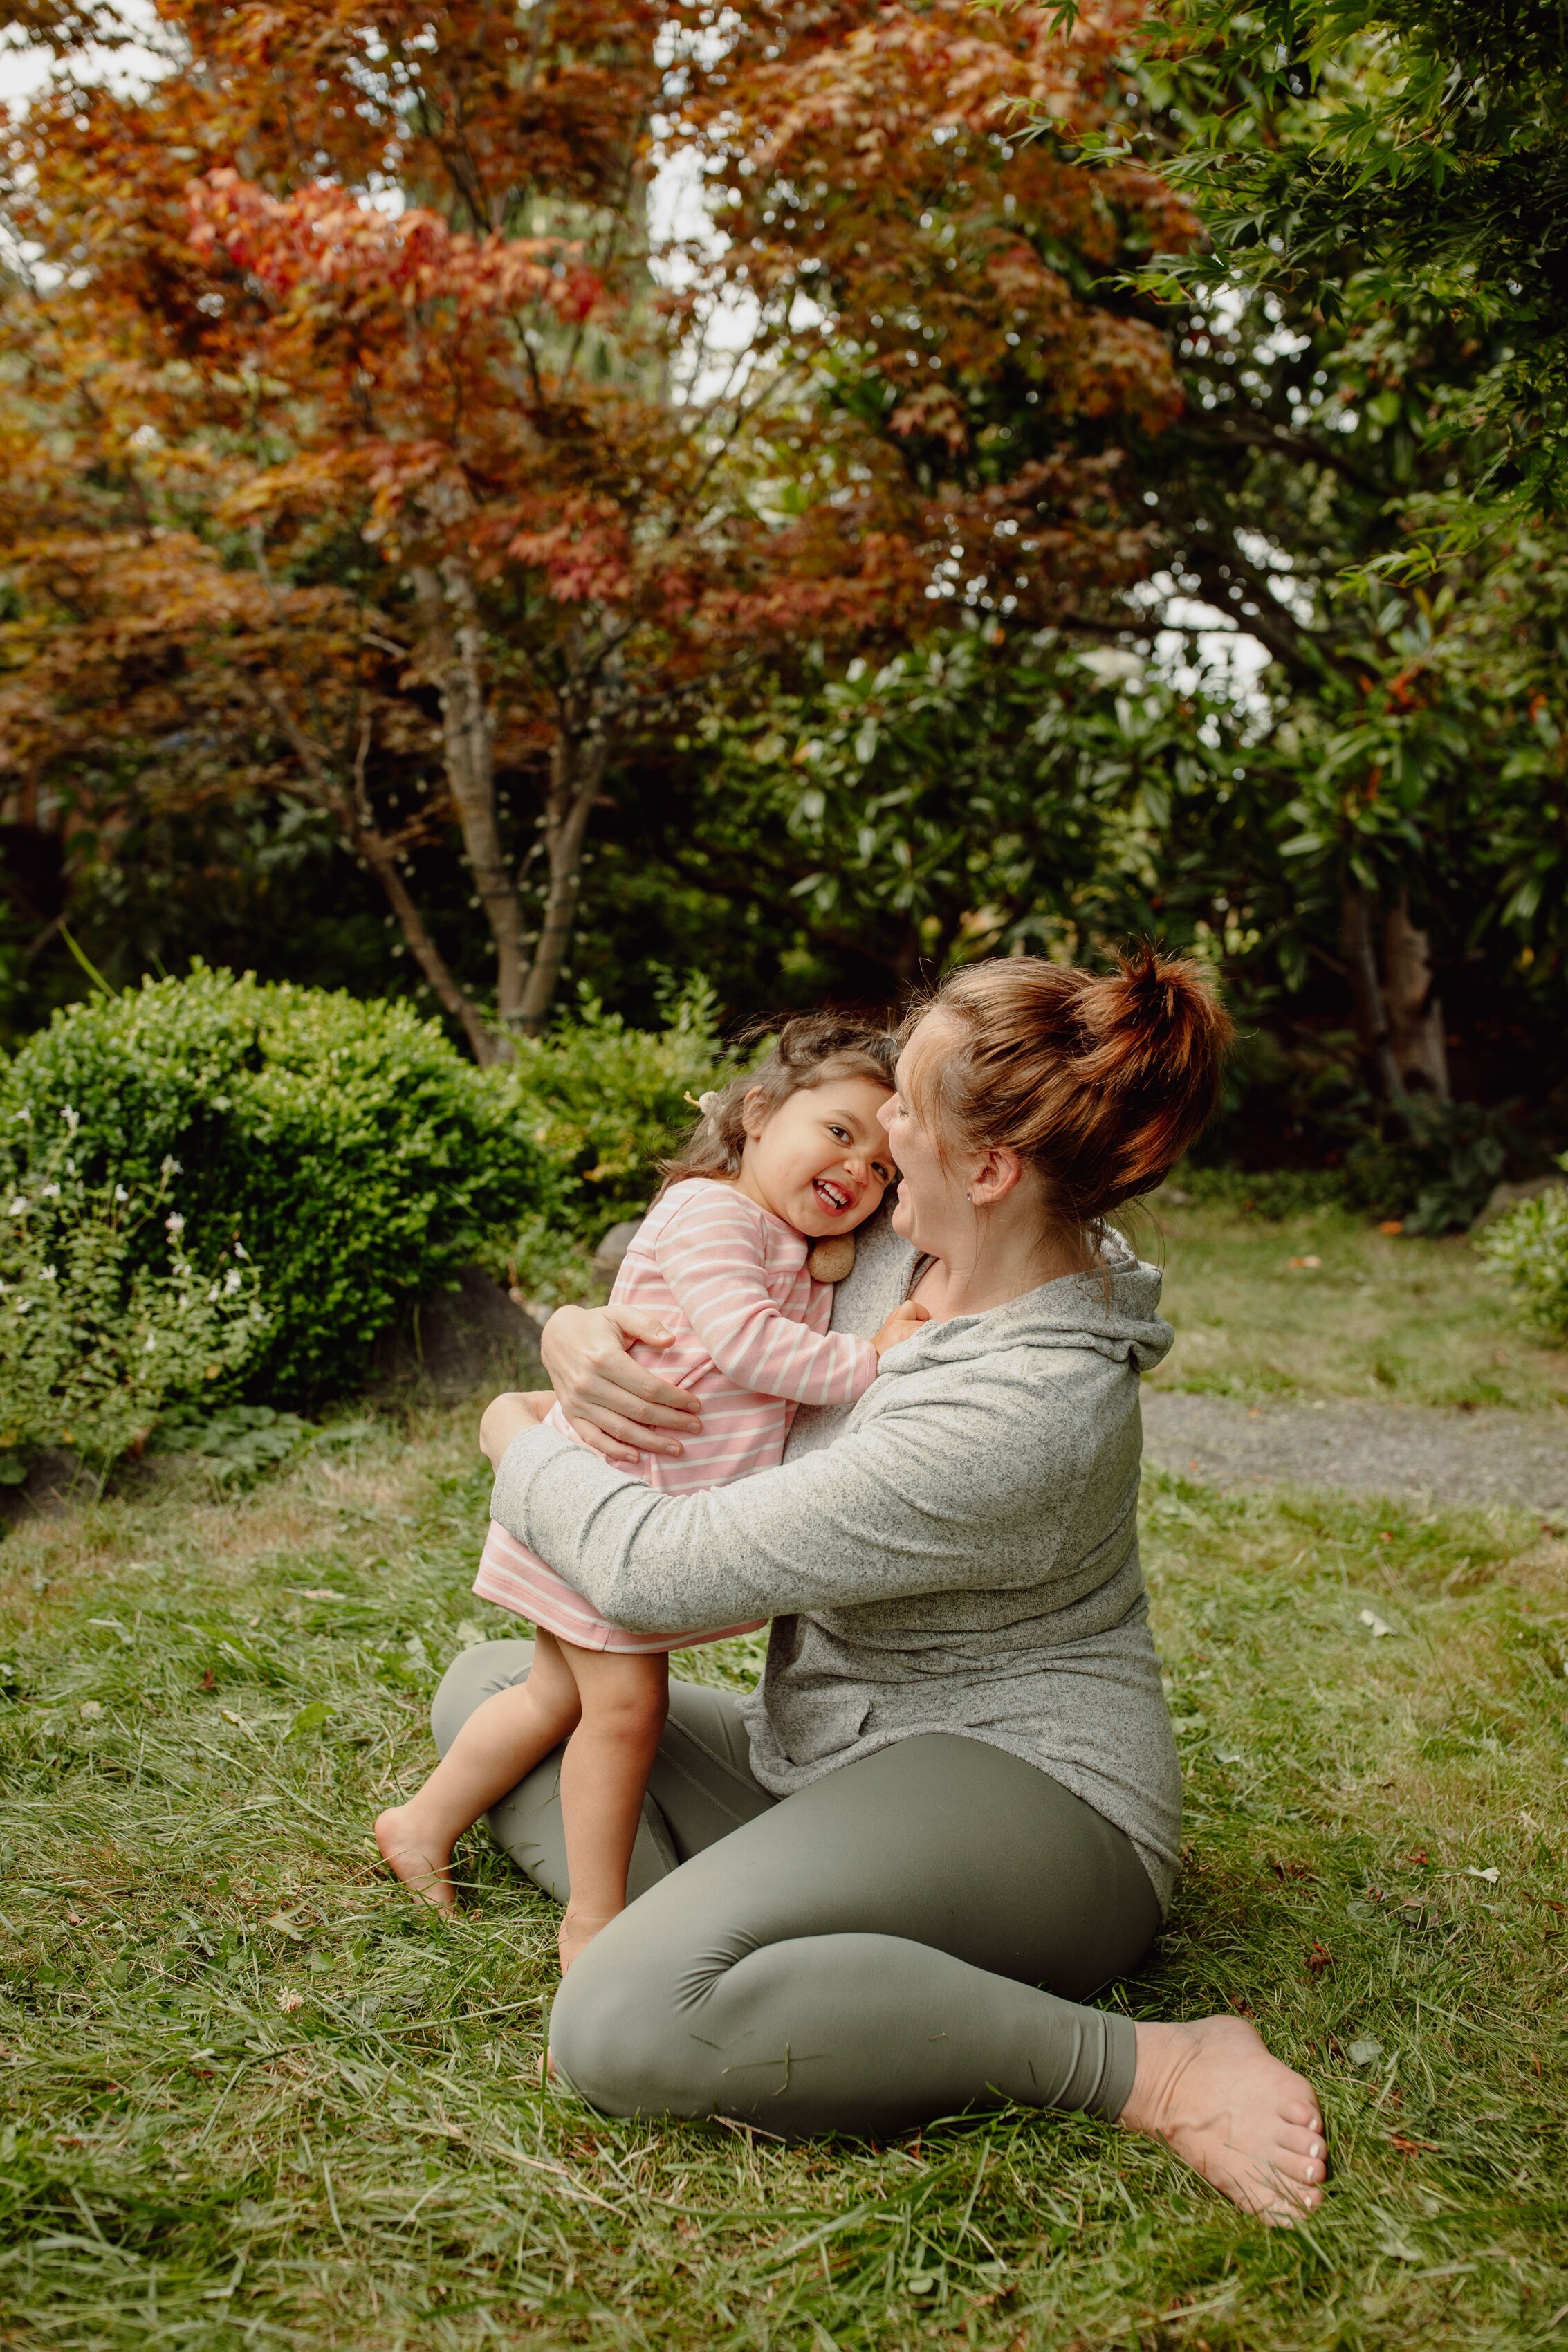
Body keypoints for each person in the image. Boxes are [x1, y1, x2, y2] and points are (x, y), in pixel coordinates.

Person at [432, 950, 1329, 2223]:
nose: (881, 1126)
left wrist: (510, 1424)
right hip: (835, 1749)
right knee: (494, 1700)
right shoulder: (890, 1254)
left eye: (904, 1103)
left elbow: (649, 1573)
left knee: (621, 2023)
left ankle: (1158, 2063)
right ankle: (766, 1947)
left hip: (1032, 1794)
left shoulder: (1023, 1407)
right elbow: (708, 1296)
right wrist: (572, 1333)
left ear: (990, 1169)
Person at [376, 1014, 926, 1967]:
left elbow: (800, 1287)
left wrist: (833, 1252)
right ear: (757, 1113)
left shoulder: (779, 1231)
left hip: (631, 1509)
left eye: (883, 1169)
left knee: (554, 1694)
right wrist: (871, 1358)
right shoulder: (710, 1214)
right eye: (840, 1132)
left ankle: (422, 1824)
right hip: (606, 1504)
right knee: (625, 1709)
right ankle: (595, 1920)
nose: (860, 1172)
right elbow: (746, 1343)